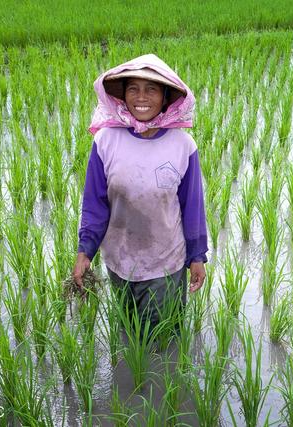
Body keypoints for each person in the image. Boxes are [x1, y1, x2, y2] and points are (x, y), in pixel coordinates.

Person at [72, 54, 208, 334]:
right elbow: (95, 203)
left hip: (166, 263)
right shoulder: (105, 141)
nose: (141, 97)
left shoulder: (183, 145)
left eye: (151, 89)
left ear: (166, 97)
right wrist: (85, 250)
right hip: (120, 261)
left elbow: (192, 206)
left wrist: (197, 256)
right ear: (123, 95)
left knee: (163, 339)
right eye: (133, 88)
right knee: (129, 333)